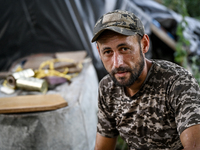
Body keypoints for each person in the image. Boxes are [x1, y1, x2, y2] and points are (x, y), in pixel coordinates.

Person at [91, 10, 200, 150]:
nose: (117, 63)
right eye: (107, 52)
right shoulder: (107, 88)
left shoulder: (177, 83)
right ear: (99, 53)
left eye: (124, 49)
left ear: (144, 44)